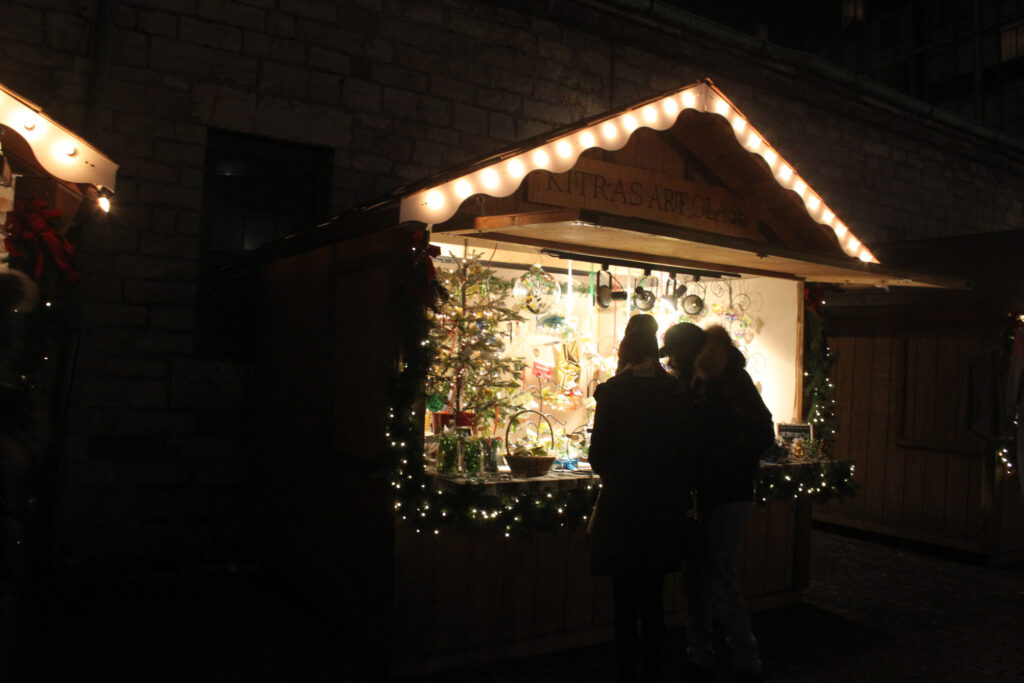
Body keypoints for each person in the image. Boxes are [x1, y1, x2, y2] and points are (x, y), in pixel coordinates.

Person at [660, 323, 775, 683]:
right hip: (704, 493)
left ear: (687, 351)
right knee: (696, 578)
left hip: (726, 494)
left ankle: (745, 660)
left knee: (717, 578)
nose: (670, 362)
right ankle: (702, 654)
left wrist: (719, 460)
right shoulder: (695, 382)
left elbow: (762, 432)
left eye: (673, 355)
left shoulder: (727, 379)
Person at [589, 315, 689, 683]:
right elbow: (687, 453)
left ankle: (626, 670)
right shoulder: (677, 392)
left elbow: (599, 457)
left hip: (623, 507)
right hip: (663, 507)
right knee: (653, 597)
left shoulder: (613, 392)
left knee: (624, 600)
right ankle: (653, 669)